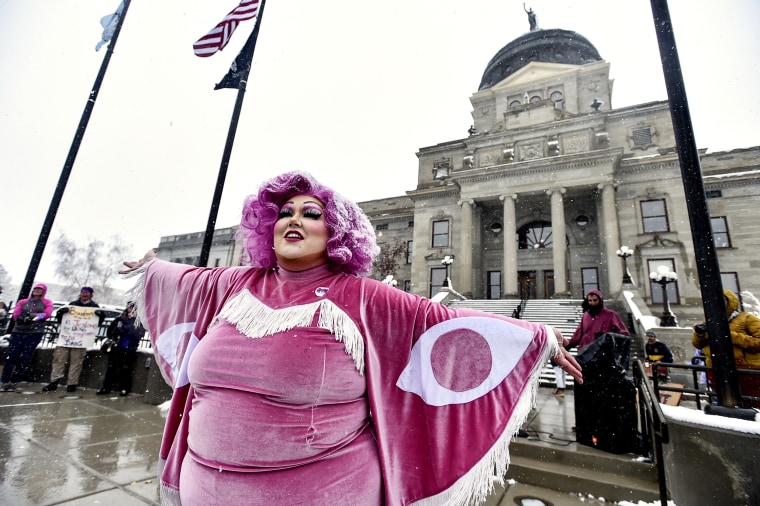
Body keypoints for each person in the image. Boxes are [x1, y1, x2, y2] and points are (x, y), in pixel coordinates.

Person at [120, 171, 582, 506]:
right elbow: (182, 277)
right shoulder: (234, 285)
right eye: (283, 212)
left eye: (311, 212)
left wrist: (536, 336)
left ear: (336, 231)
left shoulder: (362, 298)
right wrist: (151, 267)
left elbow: (442, 324)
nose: (292, 219)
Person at [692, 289, 760, 408]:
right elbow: (697, 344)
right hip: (716, 368)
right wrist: (699, 334)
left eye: (721, 300)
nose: (716, 304)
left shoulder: (747, 318)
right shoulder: (709, 321)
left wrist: (730, 335)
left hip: (745, 369)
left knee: (752, 403)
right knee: (725, 403)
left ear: (730, 302)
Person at [42, 286, 101, 393]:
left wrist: (100, 316)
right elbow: (62, 320)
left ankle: (72, 383)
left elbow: (96, 323)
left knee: (76, 362)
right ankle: (54, 381)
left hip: (80, 340)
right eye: (83, 292)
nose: (85, 294)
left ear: (91, 295)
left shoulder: (94, 306)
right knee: (59, 360)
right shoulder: (73, 304)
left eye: (87, 293)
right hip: (66, 338)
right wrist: (61, 313)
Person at [1, 284, 53, 391]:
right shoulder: (23, 302)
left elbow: (46, 314)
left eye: (40, 290)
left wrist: (31, 318)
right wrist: (21, 317)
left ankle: (15, 381)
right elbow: (16, 314)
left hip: (35, 332)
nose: (37, 291)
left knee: (25, 357)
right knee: (11, 356)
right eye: (36, 289)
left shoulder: (47, 302)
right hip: (19, 332)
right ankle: (4, 381)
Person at [97, 302, 146, 396]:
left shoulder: (138, 321)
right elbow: (110, 331)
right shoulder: (120, 319)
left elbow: (140, 334)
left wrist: (128, 329)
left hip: (129, 348)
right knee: (111, 368)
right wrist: (118, 331)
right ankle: (106, 387)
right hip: (117, 347)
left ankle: (124, 388)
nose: (130, 309)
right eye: (129, 307)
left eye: (132, 307)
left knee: (126, 369)